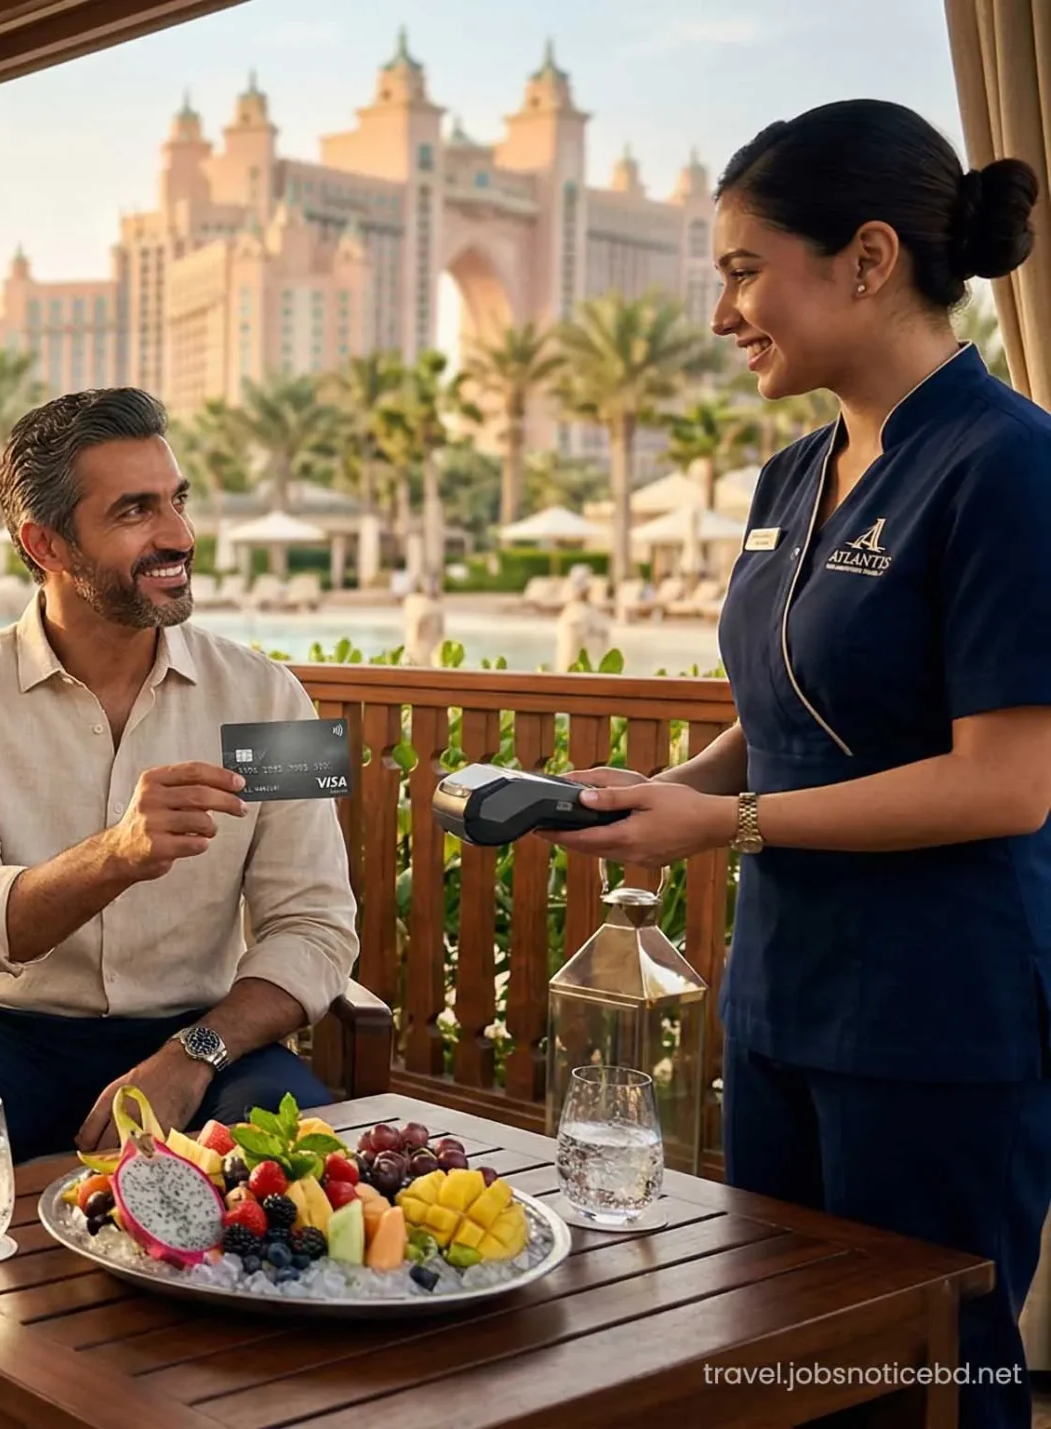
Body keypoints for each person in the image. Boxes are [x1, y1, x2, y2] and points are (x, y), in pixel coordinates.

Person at [539, 100, 1051, 1428]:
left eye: (742, 270)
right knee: (784, 1364)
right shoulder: (792, 474)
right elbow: (777, 721)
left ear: (869, 259)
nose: (722, 315)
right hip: (778, 1002)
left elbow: (1009, 781)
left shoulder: (1010, 469)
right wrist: (667, 796)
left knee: (932, 1376)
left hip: (938, 1020)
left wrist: (730, 828)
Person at [0, 387, 360, 1205]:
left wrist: (192, 1054)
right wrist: (114, 857)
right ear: (44, 543)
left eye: (177, 501)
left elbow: (317, 924)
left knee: (296, 1159)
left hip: (201, 1031)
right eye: (135, 511)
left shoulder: (270, 695)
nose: (179, 535)